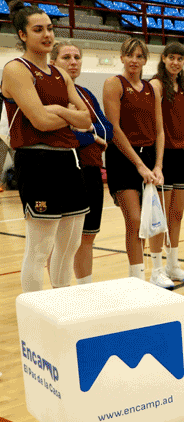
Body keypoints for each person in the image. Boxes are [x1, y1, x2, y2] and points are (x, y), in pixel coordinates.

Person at [2, 2, 91, 292]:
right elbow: (39, 121)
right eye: (38, 29)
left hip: (69, 160)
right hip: (36, 160)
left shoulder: (60, 73)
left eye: (50, 28)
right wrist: (65, 112)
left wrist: (58, 109)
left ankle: (62, 309)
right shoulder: (16, 69)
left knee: (70, 245)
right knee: (40, 248)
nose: (47, 35)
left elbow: (86, 120)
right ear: (22, 35)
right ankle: (35, 318)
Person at [102, 37, 165, 284]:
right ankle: (136, 278)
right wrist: (138, 164)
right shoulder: (114, 84)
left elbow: (160, 130)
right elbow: (114, 128)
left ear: (145, 60)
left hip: (150, 155)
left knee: (155, 217)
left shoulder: (153, 88)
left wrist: (158, 164)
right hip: (123, 156)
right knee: (136, 220)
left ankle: (158, 272)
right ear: (121, 57)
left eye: (139, 56)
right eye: (130, 55)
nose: (134, 61)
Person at [49, 41, 111, 285]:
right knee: (60, 240)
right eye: (66, 57)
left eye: (77, 57)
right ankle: (57, 294)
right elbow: (58, 135)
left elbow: (107, 132)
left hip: (92, 170)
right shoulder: (47, 93)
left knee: (87, 237)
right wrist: (90, 136)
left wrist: (86, 130)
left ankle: (86, 292)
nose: (73, 61)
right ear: (53, 62)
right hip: (62, 170)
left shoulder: (86, 95)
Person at [148, 42, 184, 284]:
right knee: (160, 216)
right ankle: (156, 270)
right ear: (163, 58)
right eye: (172, 58)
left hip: (182, 153)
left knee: (176, 214)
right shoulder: (156, 85)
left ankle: (173, 265)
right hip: (163, 155)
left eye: (180, 58)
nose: (176, 62)